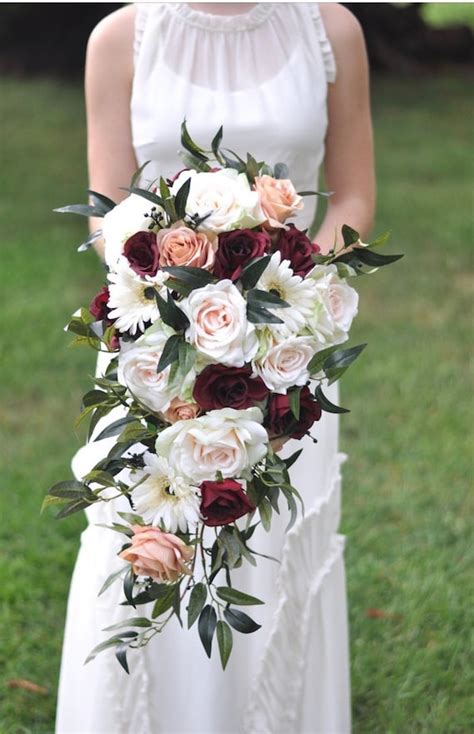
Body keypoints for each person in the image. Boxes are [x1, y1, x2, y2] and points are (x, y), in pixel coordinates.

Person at [56, 3, 375, 733]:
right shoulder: (121, 36)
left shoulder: (331, 29)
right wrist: (176, 297)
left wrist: (286, 293)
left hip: (286, 345)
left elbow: (353, 194)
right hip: (157, 345)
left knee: (268, 544)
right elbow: (107, 207)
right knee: (148, 537)